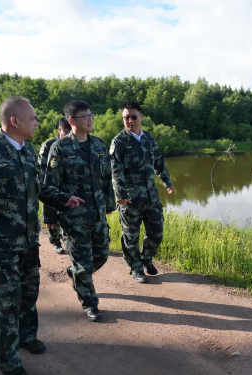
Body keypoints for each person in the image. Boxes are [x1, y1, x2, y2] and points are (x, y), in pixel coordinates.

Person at [0, 96, 83, 375]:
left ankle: (27, 336)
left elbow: (38, 188)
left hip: (29, 241)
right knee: (6, 303)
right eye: (32, 118)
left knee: (28, 294)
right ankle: (9, 362)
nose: (37, 122)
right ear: (15, 120)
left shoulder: (28, 151)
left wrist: (64, 198)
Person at [41, 100, 115, 322]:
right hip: (74, 219)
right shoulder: (60, 148)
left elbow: (106, 180)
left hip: (98, 215)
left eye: (91, 115)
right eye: (85, 116)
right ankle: (90, 304)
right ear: (72, 121)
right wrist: (61, 205)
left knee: (101, 256)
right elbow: (47, 188)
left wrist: (109, 204)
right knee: (84, 264)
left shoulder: (100, 145)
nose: (90, 119)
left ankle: (75, 273)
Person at [109, 100, 174, 283]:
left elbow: (159, 162)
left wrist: (167, 181)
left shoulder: (148, 138)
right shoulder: (119, 142)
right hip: (130, 200)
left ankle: (146, 258)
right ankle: (136, 268)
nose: (130, 121)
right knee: (131, 236)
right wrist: (120, 195)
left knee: (157, 233)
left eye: (133, 117)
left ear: (141, 117)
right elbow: (115, 171)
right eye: (126, 117)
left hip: (151, 196)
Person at [38, 117, 72, 254]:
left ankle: (68, 240)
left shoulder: (72, 144)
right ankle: (55, 240)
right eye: (66, 132)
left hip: (69, 187)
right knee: (53, 215)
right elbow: (44, 172)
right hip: (52, 185)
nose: (69, 135)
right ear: (59, 129)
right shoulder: (49, 145)